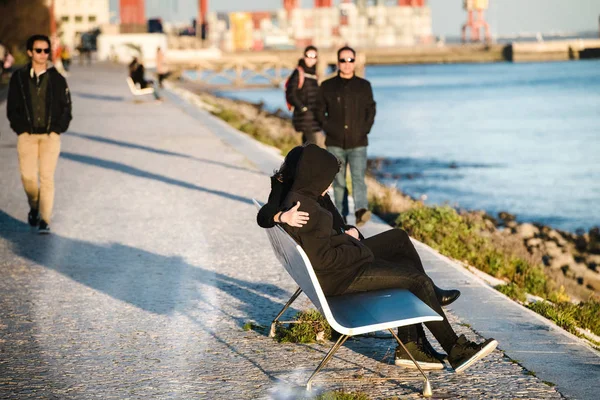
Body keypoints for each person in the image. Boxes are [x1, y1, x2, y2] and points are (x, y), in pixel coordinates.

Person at [276, 144, 497, 373]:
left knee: (406, 264)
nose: (330, 185)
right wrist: (359, 247)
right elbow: (324, 260)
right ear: (315, 176)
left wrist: (348, 240)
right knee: (418, 281)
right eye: (328, 179)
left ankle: (413, 345)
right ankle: (456, 350)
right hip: (339, 279)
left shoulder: (299, 201)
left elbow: (322, 249)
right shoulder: (309, 211)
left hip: (334, 274)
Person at [6, 34, 72, 234]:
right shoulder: (19, 78)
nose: (43, 54)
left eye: (46, 50)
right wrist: (21, 128)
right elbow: (12, 107)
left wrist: (57, 129)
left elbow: (66, 108)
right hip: (27, 136)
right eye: (39, 50)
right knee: (28, 178)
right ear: (30, 52)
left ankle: (44, 219)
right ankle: (34, 206)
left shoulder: (57, 79)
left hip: (50, 136)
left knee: (46, 177)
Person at [316, 46, 376, 227]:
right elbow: (320, 112)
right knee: (339, 181)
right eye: (343, 60)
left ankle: (361, 211)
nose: (347, 64)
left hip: (358, 141)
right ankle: (341, 215)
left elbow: (370, 110)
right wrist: (329, 128)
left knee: (358, 177)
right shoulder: (327, 86)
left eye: (350, 60)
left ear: (355, 62)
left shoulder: (364, 86)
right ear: (338, 63)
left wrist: (364, 130)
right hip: (335, 142)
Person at [285, 46, 325, 148]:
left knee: (307, 147)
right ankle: (307, 163)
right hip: (304, 118)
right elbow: (291, 93)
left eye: (314, 56)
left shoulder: (313, 74)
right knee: (312, 147)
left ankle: (302, 163)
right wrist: (302, 108)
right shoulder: (299, 72)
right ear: (304, 56)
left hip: (313, 118)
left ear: (317, 59)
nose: (311, 59)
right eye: (309, 56)